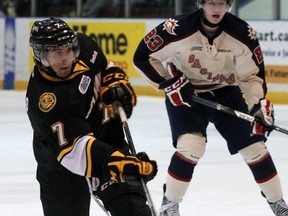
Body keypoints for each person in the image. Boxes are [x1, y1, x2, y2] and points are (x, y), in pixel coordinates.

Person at [133, 0, 288, 215]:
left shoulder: (243, 33)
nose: (216, 9)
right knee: (191, 146)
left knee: (255, 147)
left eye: (221, 3)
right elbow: (143, 57)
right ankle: (170, 205)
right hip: (186, 94)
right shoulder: (177, 28)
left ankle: (278, 204)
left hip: (227, 92)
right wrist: (170, 83)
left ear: (229, 5)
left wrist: (257, 107)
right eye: (211, 3)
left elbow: (251, 76)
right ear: (201, 4)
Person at [26, 17, 157, 216]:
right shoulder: (45, 102)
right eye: (57, 52)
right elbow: (76, 154)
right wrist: (118, 163)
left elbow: (106, 66)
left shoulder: (85, 47)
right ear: (41, 55)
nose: (66, 58)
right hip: (61, 164)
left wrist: (114, 79)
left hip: (106, 138)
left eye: (69, 49)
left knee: (133, 210)